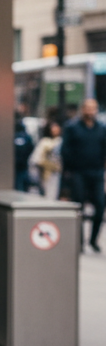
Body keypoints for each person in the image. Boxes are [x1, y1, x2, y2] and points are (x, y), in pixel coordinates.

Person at [61, 98, 106, 252]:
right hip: (77, 172)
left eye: (93, 108)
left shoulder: (101, 128)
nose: (90, 111)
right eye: (88, 108)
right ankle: (78, 241)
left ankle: (93, 240)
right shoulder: (72, 127)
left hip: (96, 172)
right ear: (83, 109)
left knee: (100, 205)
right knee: (78, 205)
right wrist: (68, 172)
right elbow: (65, 150)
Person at [31, 121, 62, 200]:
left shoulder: (61, 141)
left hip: (57, 171)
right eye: (53, 128)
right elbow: (36, 159)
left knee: (55, 193)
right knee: (47, 193)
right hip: (46, 172)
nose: (55, 130)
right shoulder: (44, 142)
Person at [14, 117, 36, 193]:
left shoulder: (13, 135)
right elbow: (31, 147)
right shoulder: (26, 136)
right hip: (23, 165)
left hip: (16, 165)